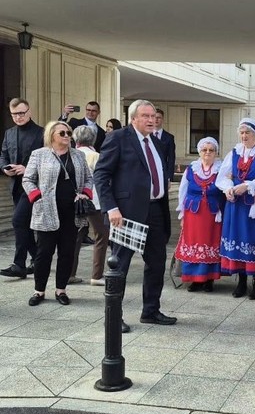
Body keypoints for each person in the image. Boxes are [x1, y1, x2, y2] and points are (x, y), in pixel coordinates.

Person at [94, 99, 177, 333]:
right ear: (133, 119)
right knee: (120, 265)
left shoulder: (156, 142)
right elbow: (101, 174)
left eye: (153, 116)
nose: (152, 120)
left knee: (156, 262)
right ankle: (113, 317)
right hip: (126, 213)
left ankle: (150, 311)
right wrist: (111, 208)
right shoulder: (118, 138)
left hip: (156, 210)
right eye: (146, 116)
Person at [22, 121, 93, 306]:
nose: (67, 136)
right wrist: (37, 196)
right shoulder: (39, 154)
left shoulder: (78, 155)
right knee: (43, 253)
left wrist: (85, 194)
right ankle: (39, 291)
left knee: (67, 252)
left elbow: (89, 178)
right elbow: (28, 179)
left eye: (69, 133)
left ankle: (61, 290)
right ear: (51, 135)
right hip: (46, 211)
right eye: (62, 133)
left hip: (71, 212)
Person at [215, 118, 255, 299]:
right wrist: (228, 188)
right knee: (238, 239)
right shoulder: (234, 152)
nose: (244, 136)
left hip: (253, 206)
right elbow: (222, 177)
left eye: (247, 132)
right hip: (236, 205)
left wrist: (248, 185)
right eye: (241, 133)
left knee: (253, 239)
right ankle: (241, 282)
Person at [174, 137, 225, 292]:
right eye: (204, 150)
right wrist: (182, 214)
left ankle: (209, 279)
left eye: (211, 150)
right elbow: (183, 191)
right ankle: (194, 279)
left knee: (210, 243)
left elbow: (226, 189)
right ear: (199, 152)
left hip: (212, 214)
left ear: (216, 152)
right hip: (193, 213)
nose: (207, 153)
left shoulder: (221, 170)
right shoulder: (191, 169)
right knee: (193, 243)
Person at [0, 98, 43, 280]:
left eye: (21, 113)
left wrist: (27, 169)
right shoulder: (9, 133)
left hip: (34, 187)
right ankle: (38, 258)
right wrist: (5, 169)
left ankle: (19, 264)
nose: (18, 117)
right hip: (16, 186)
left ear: (29, 112)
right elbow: (3, 155)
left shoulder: (41, 133)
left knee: (18, 221)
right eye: (14, 114)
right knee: (23, 224)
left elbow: (48, 160)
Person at [69, 126, 110, 286]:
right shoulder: (96, 156)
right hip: (95, 202)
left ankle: (69, 273)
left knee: (75, 237)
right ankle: (97, 275)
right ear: (93, 139)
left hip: (76, 201)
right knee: (101, 236)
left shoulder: (71, 155)